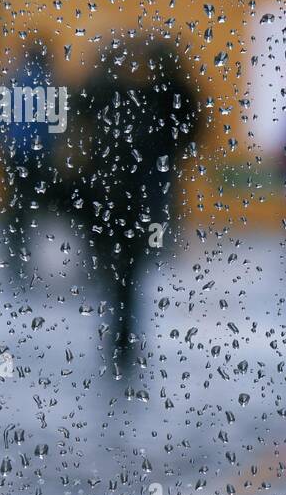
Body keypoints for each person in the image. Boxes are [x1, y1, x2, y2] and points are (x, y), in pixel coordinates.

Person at [68, 37, 201, 367]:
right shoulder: (140, 95)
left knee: (124, 265)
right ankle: (123, 331)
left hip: (119, 195)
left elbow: (80, 120)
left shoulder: (141, 96)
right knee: (130, 265)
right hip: (138, 194)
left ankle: (121, 331)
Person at [0, 36, 60, 274]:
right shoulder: (49, 84)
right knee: (32, 202)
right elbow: (55, 126)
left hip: (14, 152)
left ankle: (14, 253)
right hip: (38, 154)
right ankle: (25, 250)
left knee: (15, 204)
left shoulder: (14, 80)